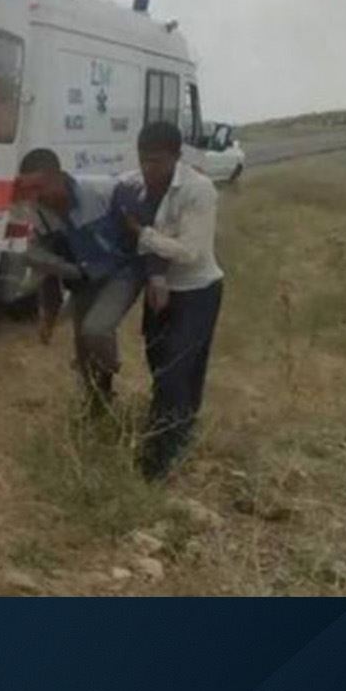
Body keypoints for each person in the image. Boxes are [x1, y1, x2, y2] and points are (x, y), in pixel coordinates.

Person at [118, 122, 225, 480]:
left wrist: (142, 233)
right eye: (143, 160)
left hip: (196, 292)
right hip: (160, 291)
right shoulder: (134, 187)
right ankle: (179, 430)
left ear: (177, 157)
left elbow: (190, 252)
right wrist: (155, 277)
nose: (149, 168)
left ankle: (160, 459)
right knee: (158, 364)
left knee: (176, 371)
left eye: (157, 161)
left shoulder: (198, 190)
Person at [16, 148, 156, 411]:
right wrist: (49, 315)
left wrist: (157, 277)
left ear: (58, 176)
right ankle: (98, 407)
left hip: (123, 271)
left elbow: (147, 229)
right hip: (85, 278)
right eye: (29, 190)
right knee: (83, 354)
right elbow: (49, 270)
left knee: (96, 329)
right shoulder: (41, 215)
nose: (35, 196)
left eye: (39, 187)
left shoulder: (104, 191)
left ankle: (109, 371)